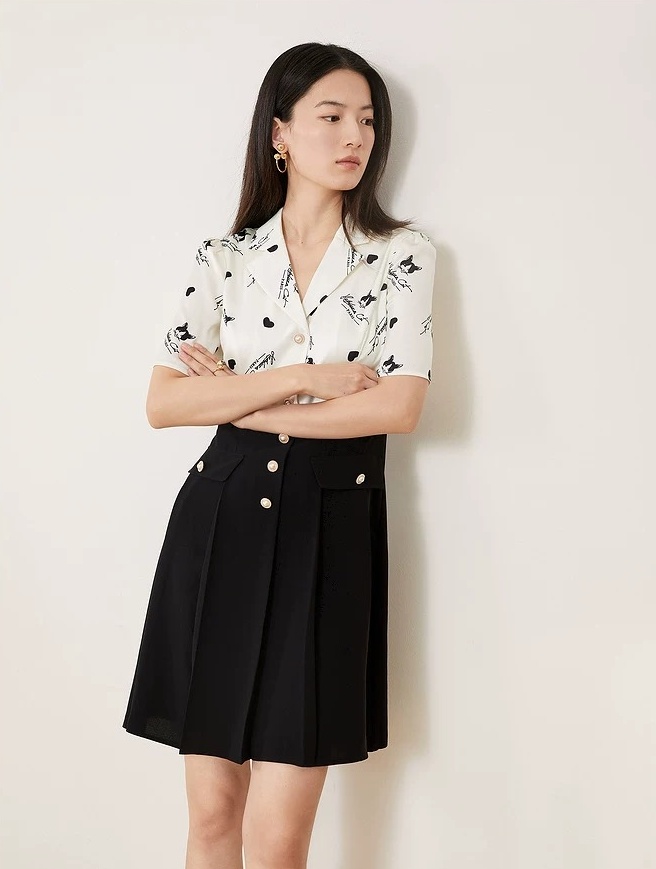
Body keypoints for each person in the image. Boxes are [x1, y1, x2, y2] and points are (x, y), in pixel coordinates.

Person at [122, 41, 436, 869]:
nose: (355, 136)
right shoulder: (223, 259)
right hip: (219, 523)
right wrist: (304, 380)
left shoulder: (401, 254)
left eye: (367, 120)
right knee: (212, 818)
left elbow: (398, 406)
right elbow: (165, 403)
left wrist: (240, 398)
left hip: (328, 532)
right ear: (280, 134)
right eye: (331, 116)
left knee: (277, 836)